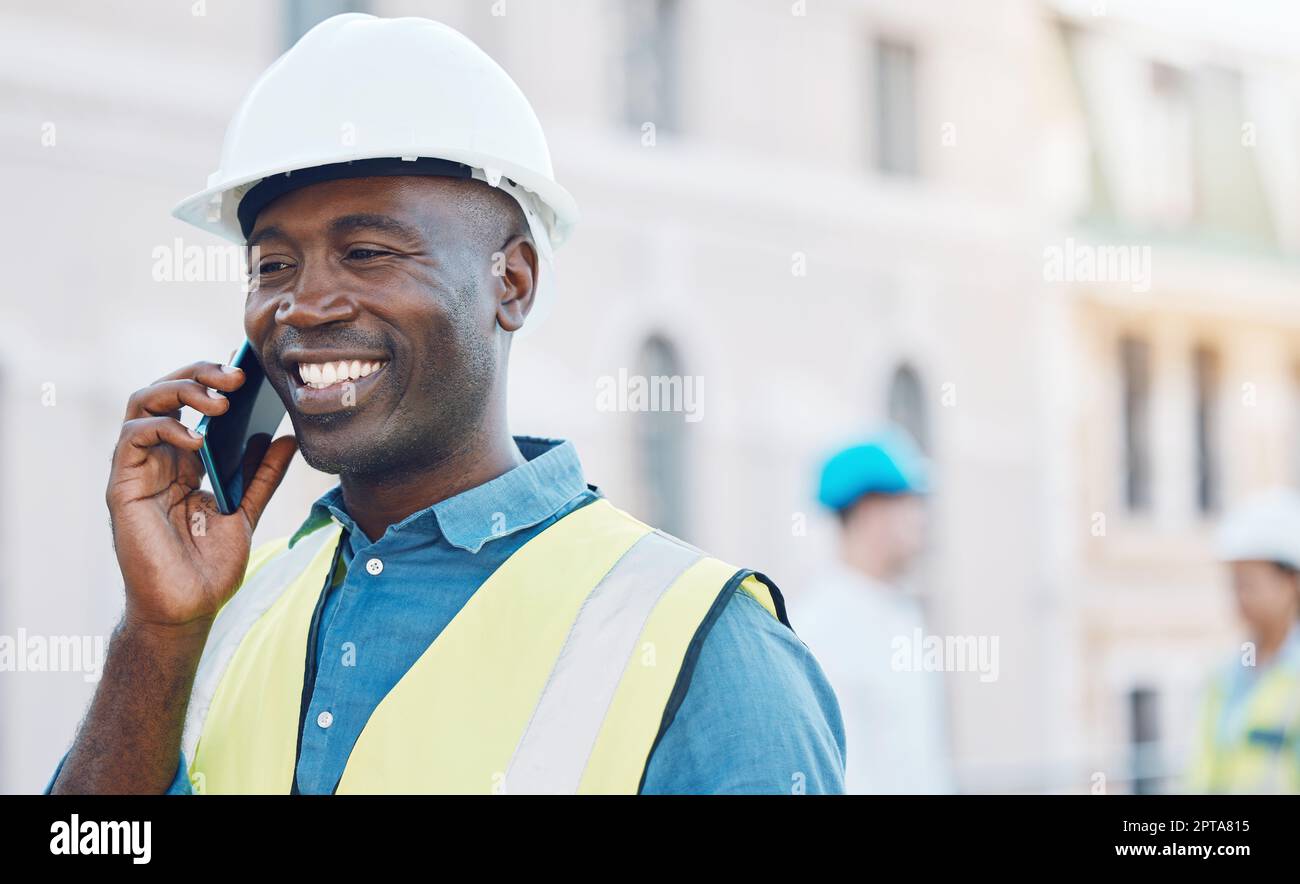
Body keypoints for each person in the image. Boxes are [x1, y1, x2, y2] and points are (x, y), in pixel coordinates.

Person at [45, 14, 844, 795]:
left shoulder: (706, 648)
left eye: (365, 253)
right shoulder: (230, 616)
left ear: (513, 281)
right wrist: (159, 635)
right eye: (275, 265)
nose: (304, 305)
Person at [796, 427, 954, 793]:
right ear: (871, 512)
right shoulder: (822, 629)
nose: (923, 518)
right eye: (910, 503)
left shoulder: (901, 612)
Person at [1186, 487, 1300, 794]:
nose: (1239, 597)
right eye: (1235, 584)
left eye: (1249, 583)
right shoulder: (1225, 677)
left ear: (1292, 582)